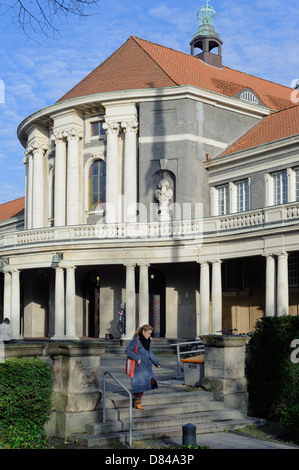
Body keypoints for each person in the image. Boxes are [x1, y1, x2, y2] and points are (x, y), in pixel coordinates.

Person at [125, 324, 160, 410]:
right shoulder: (136, 340)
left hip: (147, 366)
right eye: (148, 333)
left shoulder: (148, 341)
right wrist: (136, 358)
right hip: (139, 367)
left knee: (150, 382)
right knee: (141, 384)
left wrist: (156, 363)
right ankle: (137, 402)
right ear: (143, 332)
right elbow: (127, 350)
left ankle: (136, 399)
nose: (149, 335)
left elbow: (150, 354)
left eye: (150, 334)